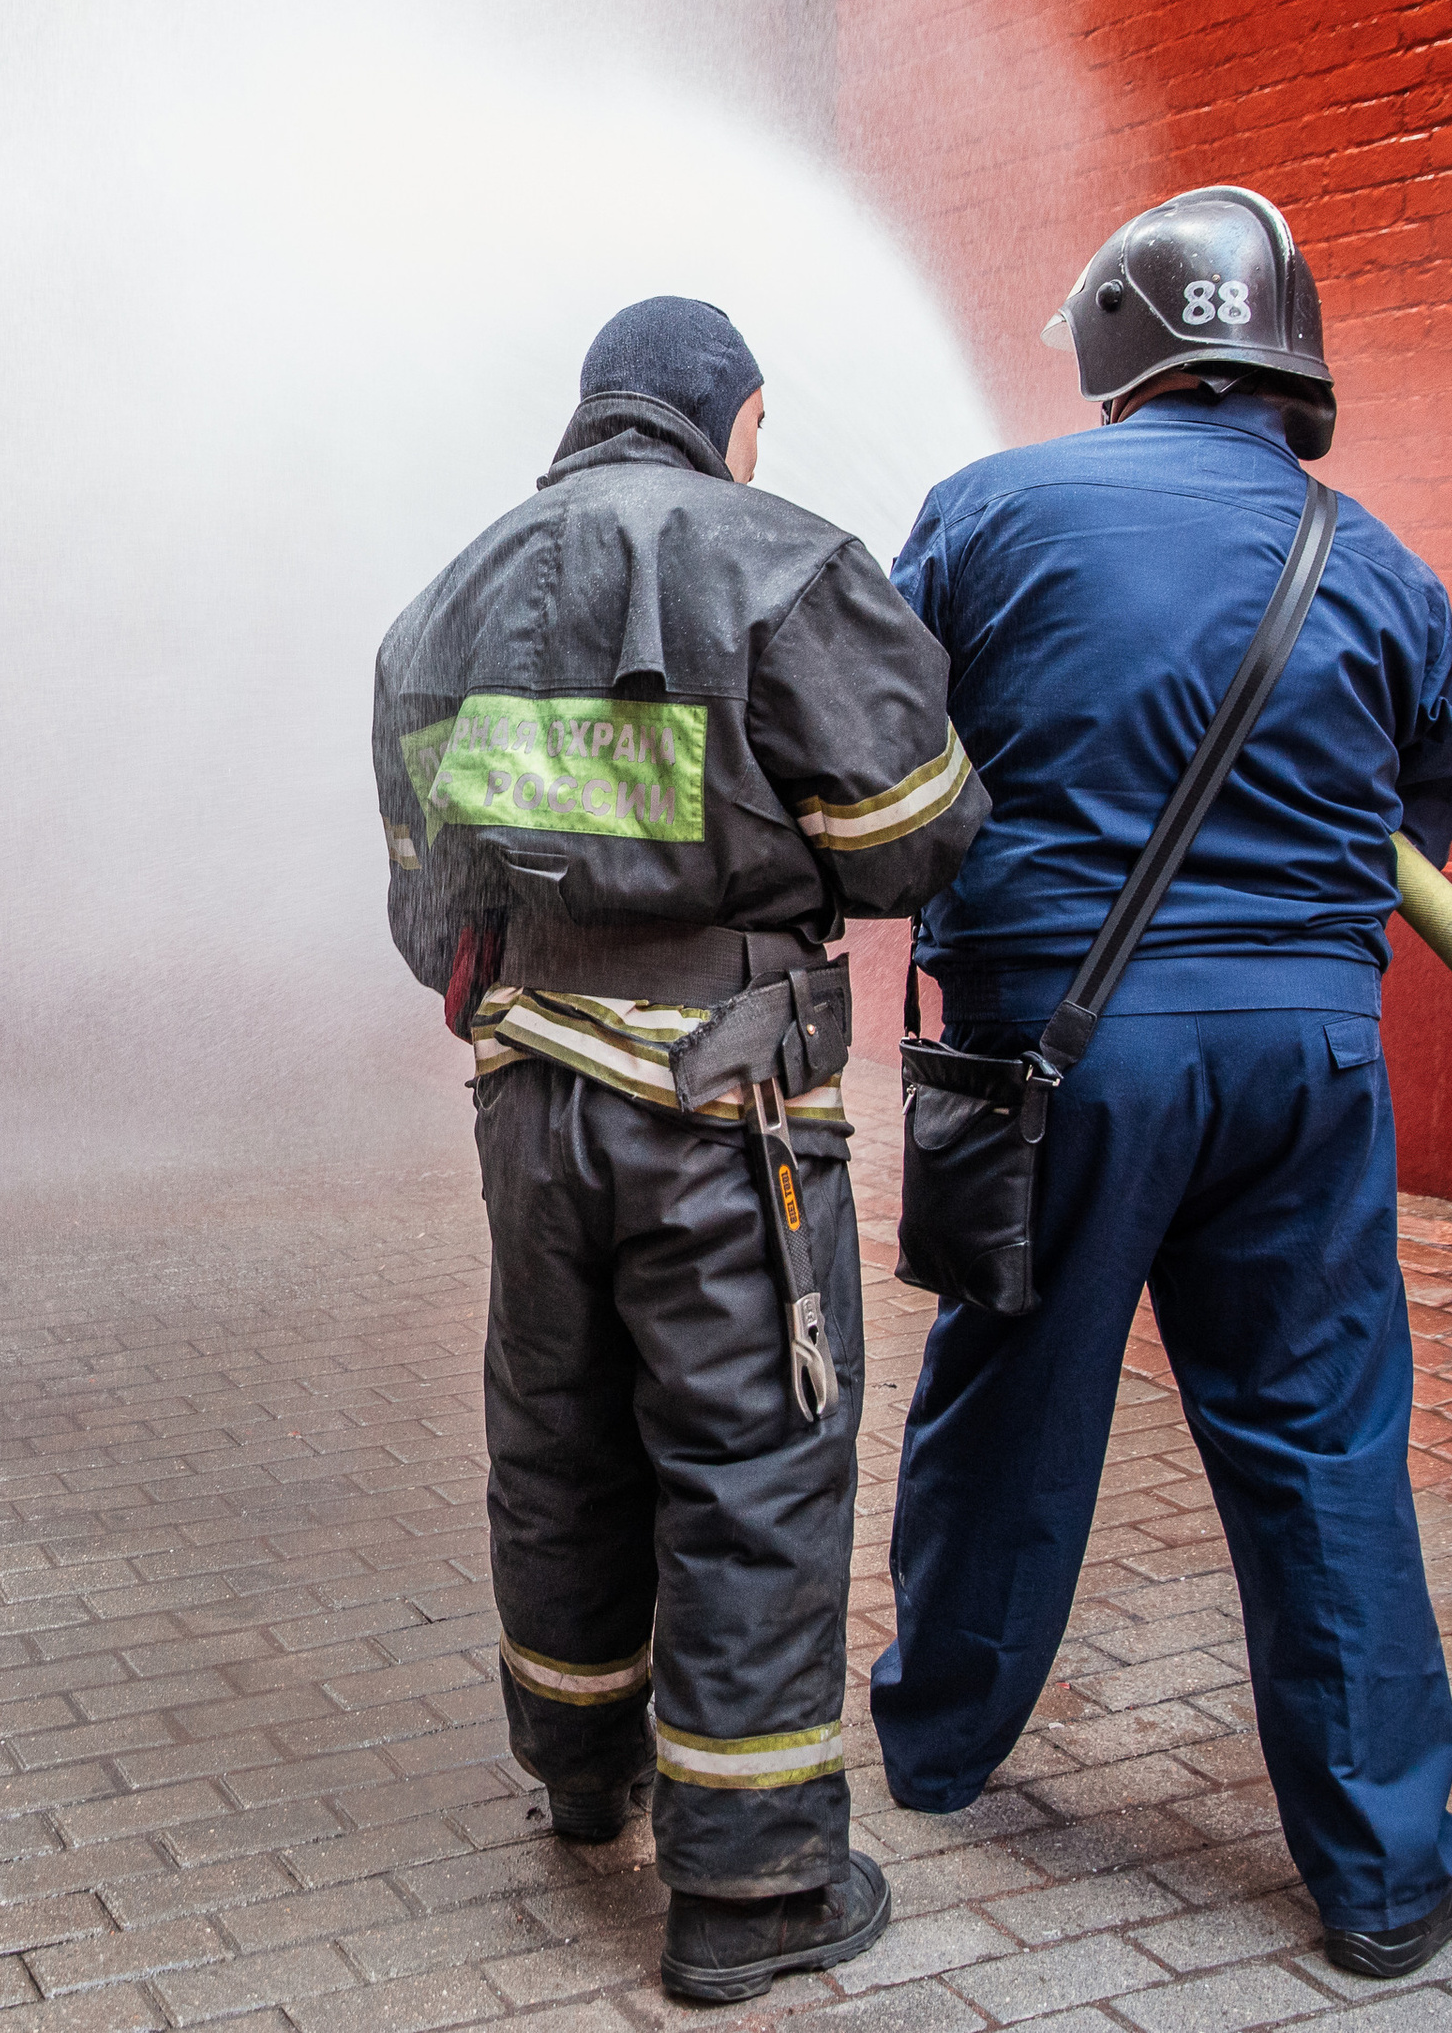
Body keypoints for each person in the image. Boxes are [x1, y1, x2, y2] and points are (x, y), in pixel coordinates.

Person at [373, 297, 987, 2005]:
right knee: (750, 1465)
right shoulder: (786, 567)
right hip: (727, 1116)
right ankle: (753, 1889)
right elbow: (914, 835)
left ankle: (583, 1775)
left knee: (559, 1440)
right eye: (759, 427)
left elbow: (426, 911)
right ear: (729, 412)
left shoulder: (439, 605)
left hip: (531, 1113)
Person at [872, 185, 1452, 1979]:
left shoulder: (989, 513)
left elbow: (878, 758)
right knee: (1326, 1442)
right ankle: (1387, 1883)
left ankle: (940, 1749)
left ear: (1124, 346)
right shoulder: (1377, 563)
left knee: (1014, 1399)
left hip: (1067, 1054)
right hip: (1311, 1064)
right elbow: (1426, 813)